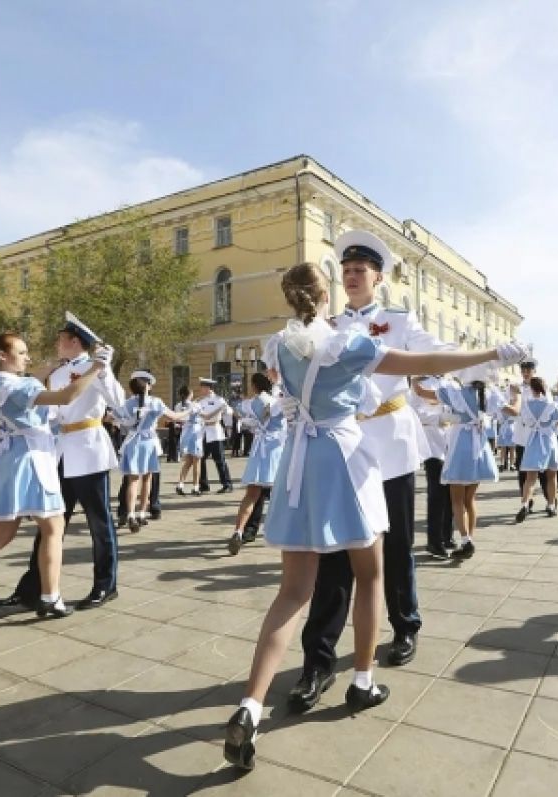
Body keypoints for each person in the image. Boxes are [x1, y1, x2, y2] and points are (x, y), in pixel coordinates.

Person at [222, 261, 527, 770]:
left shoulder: (279, 343)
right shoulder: (346, 343)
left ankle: (249, 706)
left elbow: (280, 384)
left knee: (292, 593)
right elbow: (421, 361)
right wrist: (495, 351)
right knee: (371, 573)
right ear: (325, 296)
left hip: (298, 463)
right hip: (344, 460)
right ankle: (362, 681)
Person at [291, 230, 450, 716]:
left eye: (362, 269)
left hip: (393, 445)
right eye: (347, 269)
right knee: (335, 555)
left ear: (378, 277)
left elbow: (434, 355)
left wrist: (467, 370)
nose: (353, 275)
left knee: (397, 545)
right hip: (346, 448)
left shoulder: (397, 320)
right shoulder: (328, 324)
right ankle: (316, 662)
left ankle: (405, 625)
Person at [0, 333, 111, 631]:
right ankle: (50, 596)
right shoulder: (19, 384)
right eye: (22, 352)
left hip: (12, 458)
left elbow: (32, 383)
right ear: (3, 355)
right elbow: (65, 397)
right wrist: (96, 367)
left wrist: (53, 366)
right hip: (32, 459)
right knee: (53, 527)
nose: (28, 358)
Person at [0, 312, 124, 612]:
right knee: (49, 524)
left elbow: (117, 400)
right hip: (60, 451)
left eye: (61, 339)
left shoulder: (94, 367)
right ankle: (32, 588)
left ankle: (106, 585)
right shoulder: (59, 372)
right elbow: (51, 410)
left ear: (74, 342)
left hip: (88, 451)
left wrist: (104, 369)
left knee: (99, 523)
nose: (56, 344)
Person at [414, 368, 500, 559]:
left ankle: (463, 539)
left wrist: (414, 379)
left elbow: (421, 392)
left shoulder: (454, 390)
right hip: (471, 447)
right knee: (466, 499)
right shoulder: (486, 393)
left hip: (458, 446)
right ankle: (456, 539)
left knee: (457, 500)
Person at [115, 370, 187, 531]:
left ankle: (130, 514)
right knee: (147, 479)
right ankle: (142, 513)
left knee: (132, 481)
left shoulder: (128, 403)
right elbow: (175, 417)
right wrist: (192, 410)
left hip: (133, 442)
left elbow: (115, 417)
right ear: (147, 386)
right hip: (149, 442)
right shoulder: (155, 402)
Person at [228, 372, 285, 554]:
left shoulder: (249, 403)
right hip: (276, 450)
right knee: (281, 494)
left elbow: (241, 417)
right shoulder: (277, 402)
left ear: (254, 386)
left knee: (251, 495)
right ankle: (281, 531)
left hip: (258, 450)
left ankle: (238, 531)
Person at [510, 376, 558, 522]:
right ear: (544, 388)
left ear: (531, 389)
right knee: (551, 476)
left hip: (532, 441)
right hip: (548, 442)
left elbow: (522, 421)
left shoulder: (526, 405)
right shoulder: (551, 405)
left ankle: (524, 504)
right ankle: (551, 505)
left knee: (530, 479)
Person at [411, 376, 454, 558]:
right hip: (432, 444)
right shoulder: (420, 382)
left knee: (451, 492)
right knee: (436, 493)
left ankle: (447, 535)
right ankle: (433, 541)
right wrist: (440, 417)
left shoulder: (450, 382)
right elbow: (416, 412)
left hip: (450, 441)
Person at [197, 378, 234, 493]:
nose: (200, 389)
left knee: (219, 460)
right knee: (200, 459)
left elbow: (229, 411)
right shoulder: (200, 401)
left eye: (202, 387)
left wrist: (224, 410)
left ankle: (227, 484)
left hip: (215, 432)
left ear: (208, 388)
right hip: (203, 432)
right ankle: (203, 485)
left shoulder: (219, 399)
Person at [176, 385, 204, 495]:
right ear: (190, 394)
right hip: (195, 433)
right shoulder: (195, 405)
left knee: (188, 461)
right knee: (197, 461)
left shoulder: (178, 405)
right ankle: (196, 486)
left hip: (185, 432)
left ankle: (180, 484)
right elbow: (203, 415)